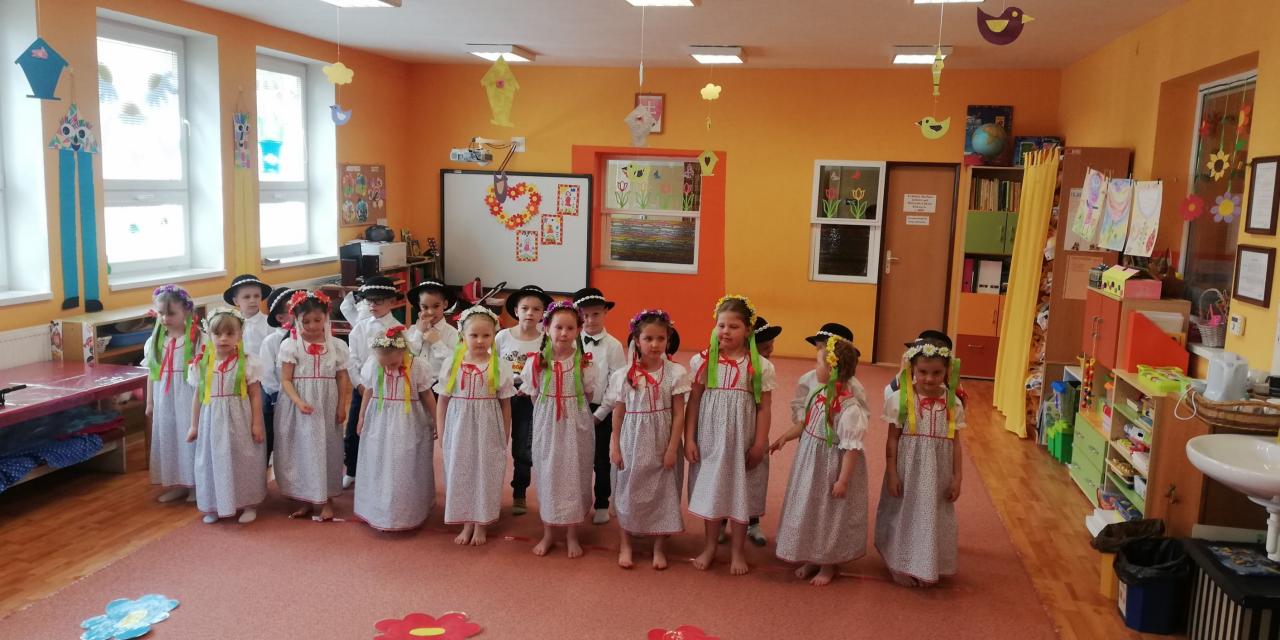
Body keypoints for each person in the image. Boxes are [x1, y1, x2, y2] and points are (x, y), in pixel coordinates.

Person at [685, 295, 776, 575]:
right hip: (711, 440)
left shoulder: (760, 366)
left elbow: (764, 407)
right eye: (721, 325)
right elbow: (694, 401)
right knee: (713, 491)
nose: (725, 331)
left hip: (742, 441)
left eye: (733, 326)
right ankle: (710, 547)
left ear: (747, 330)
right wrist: (689, 438)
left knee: (740, 493)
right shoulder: (702, 361)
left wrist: (759, 443)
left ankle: (738, 550)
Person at [771, 330, 870, 586]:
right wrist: (785, 437)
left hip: (831, 466)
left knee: (829, 514)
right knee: (811, 509)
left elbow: (852, 449)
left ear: (832, 369)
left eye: (818, 363)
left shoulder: (849, 409)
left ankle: (828, 563)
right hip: (811, 464)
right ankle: (812, 556)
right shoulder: (819, 394)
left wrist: (843, 481)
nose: (814, 368)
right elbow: (806, 423)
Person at [875, 337, 966, 587]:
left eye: (937, 373)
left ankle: (925, 563)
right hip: (908, 471)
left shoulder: (953, 403)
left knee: (930, 517)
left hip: (938, 473)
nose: (929, 378)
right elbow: (892, 440)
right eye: (923, 372)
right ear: (912, 369)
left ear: (947, 371)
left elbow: (956, 443)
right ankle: (899, 563)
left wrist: (957, 477)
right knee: (904, 514)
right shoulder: (900, 400)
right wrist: (892, 473)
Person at [602, 309, 689, 570]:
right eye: (648, 338)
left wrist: (672, 448)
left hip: (662, 441)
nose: (655, 344)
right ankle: (626, 544)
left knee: (664, 491)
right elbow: (618, 413)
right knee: (628, 490)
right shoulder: (624, 375)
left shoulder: (675, 373)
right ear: (637, 341)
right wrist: (615, 445)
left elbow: (679, 414)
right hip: (632, 440)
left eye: (661, 338)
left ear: (668, 340)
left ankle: (658, 546)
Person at [434, 306, 515, 546]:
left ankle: (481, 522)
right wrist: (443, 432)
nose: (480, 340)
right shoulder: (452, 363)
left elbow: (505, 404)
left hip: (488, 426)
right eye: (474, 335)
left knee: (485, 471)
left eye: (486, 335)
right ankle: (466, 521)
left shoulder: (499, 365)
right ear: (463, 335)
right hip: (459, 426)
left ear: (493, 336)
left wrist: (505, 434)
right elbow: (443, 401)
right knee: (461, 470)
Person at [523, 301, 598, 558]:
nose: (564, 333)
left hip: (575, 425)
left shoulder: (585, 363)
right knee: (548, 475)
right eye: (558, 327)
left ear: (578, 330)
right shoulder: (536, 362)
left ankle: (572, 534)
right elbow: (534, 395)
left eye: (570, 328)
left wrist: (570, 410)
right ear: (546, 328)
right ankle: (548, 533)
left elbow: (587, 395)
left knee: (574, 474)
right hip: (547, 425)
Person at [274, 290, 351, 521]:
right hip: (298, 405)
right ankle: (305, 498)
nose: (312, 326)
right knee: (302, 450)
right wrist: (298, 401)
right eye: (305, 321)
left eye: (317, 320)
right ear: (296, 320)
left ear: (326, 317)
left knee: (326, 449)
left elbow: (342, 377)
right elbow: (286, 380)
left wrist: (341, 405)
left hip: (326, 405)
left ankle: (326, 499)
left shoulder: (337, 346)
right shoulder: (291, 346)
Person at [187, 308, 267, 524]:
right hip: (211, 421)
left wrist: (257, 423)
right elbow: (198, 396)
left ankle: (248, 503)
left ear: (240, 335)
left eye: (230, 334)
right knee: (213, 461)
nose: (223, 338)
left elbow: (255, 395)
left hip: (240, 419)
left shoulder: (248, 362)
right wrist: (194, 425)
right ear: (209, 335)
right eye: (218, 333)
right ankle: (214, 503)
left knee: (243, 459)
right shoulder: (201, 364)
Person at [353, 326, 438, 531]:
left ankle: (407, 511)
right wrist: (362, 416)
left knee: (405, 464)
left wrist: (437, 420)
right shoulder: (374, 364)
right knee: (378, 462)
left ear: (403, 351)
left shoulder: (417, 366)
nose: (389, 369)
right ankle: (378, 510)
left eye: (393, 363)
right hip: (379, 420)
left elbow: (427, 395)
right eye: (384, 365)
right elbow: (369, 391)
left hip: (409, 422)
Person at [495, 284, 551, 515]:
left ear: (543, 313)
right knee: (495, 442)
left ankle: (519, 492)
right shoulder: (502, 336)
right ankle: (489, 491)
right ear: (516, 310)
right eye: (525, 308)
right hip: (501, 396)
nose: (530, 313)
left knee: (523, 446)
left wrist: (530, 388)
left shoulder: (546, 340)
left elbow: (547, 371)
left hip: (528, 399)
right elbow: (492, 365)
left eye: (536, 309)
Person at [342, 276, 403, 489]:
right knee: (354, 430)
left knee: (383, 432)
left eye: (378, 301)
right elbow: (352, 359)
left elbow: (402, 360)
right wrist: (359, 384)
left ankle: (380, 471)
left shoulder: (399, 329)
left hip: (388, 390)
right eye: (369, 301)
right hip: (362, 388)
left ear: (391, 302)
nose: (372, 305)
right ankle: (351, 469)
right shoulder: (359, 328)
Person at [573, 287, 626, 525]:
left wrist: (601, 412)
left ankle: (602, 502)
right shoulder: (570, 340)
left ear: (605, 312)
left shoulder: (613, 346)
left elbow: (617, 383)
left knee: (601, 459)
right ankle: (576, 500)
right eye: (584, 315)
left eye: (595, 314)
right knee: (575, 457)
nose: (590, 320)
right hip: (574, 408)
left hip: (599, 412)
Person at [145, 284, 202, 504]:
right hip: (164, 397)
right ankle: (177, 482)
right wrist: (150, 402)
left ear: (186, 311)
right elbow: (152, 373)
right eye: (161, 313)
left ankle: (195, 485)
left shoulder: (197, 339)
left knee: (188, 438)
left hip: (187, 395)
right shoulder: (155, 341)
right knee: (169, 437)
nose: (165, 318)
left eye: (171, 313)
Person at [257, 286, 296, 465]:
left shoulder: (305, 338)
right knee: (272, 436)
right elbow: (266, 373)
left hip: (300, 395)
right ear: (280, 318)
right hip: (277, 397)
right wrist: (276, 396)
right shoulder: (272, 341)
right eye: (294, 310)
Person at [406, 279, 460, 371]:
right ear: (419, 306)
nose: (430, 312)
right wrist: (419, 333)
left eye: (436, 306)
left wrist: (436, 342)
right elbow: (407, 357)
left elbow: (456, 364)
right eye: (425, 307)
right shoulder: (413, 330)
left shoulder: (453, 334)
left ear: (445, 304)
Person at [224, 274, 273, 357]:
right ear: (236, 301)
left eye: (256, 296)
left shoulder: (269, 323)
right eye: (247, 297)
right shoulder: (231, 324)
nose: (252, 300)